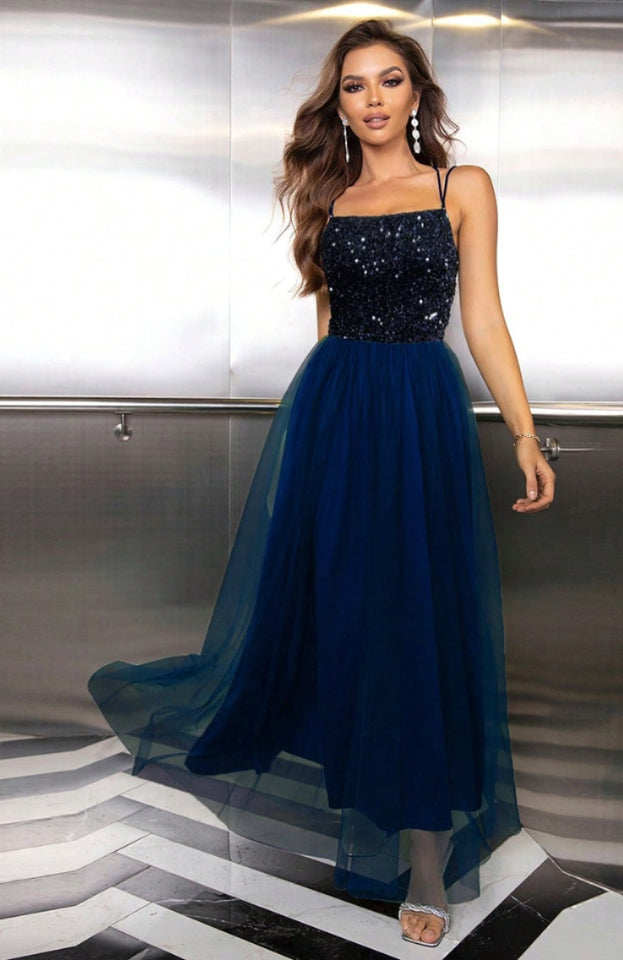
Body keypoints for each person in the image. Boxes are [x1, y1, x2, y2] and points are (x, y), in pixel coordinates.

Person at [89, 18, 555, 949]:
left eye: (389, 80)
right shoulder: (330, 196)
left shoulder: (460, 187)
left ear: (416, 94)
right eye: (354, 85)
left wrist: (522, 433)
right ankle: (361, 784)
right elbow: (328, 330)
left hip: (420, 417)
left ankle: (425, 862)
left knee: (414, 622)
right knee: (341, 613)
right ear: (337, 104)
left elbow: (484, 320)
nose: (373, 98)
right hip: (335, 414)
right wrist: (310, 448)